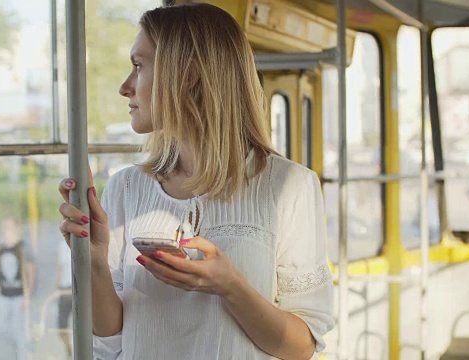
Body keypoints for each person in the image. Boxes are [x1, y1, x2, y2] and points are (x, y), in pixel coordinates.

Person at [58, 3, 334, 359]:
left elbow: (301, 348)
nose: (125, 88)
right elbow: (111, 342)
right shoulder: (126, 189)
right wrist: (94, 261)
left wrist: (230, 287)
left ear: (187, 75)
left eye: (138, 66)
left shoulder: (289, 187)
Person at [0, 215, 36, 360]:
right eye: (4, 227)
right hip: (3, 294)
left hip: (19, 295)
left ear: (17, 229)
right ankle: (17, 346)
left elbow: (31, 272)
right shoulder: (1, 248)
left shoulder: (22, 248)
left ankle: (23, 354)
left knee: (19, 331)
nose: (6, 231)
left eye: (9, 227)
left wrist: (28, 296)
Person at [55, 238, 73, 356]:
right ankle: (69, 351)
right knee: (61, 325)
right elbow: (60, 269)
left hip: (79, 288)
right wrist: (56, 288)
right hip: (65, 288)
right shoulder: (62, 245)